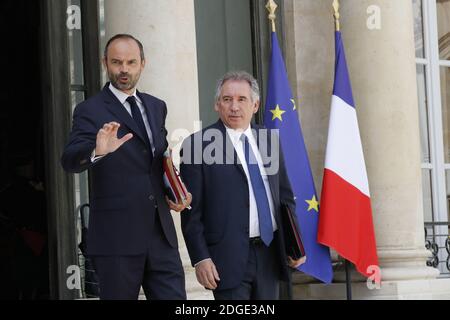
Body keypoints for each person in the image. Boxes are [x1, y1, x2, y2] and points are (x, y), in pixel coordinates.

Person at [61, 34, 191, 300]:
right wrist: (97, 151)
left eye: (131, 62)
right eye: (117, 62)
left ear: (143, 63)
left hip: (160, 235)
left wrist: (174, 191)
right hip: (116, 239)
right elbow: (70, 160)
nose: (124, 69)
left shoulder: (156, 106)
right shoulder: (90, 109)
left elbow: (156, 161)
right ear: (105, 63)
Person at [180, 71, 306, 300]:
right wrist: (200, 258)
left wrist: (294, 243)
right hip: (225, 259)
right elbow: (191, 213)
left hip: (270, 255)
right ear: (217, 105)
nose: (234, 107)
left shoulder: (269, 140)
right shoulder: (197, 146)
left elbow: (285, 198)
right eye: (227, 100)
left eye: (242, 100)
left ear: (255, 104)